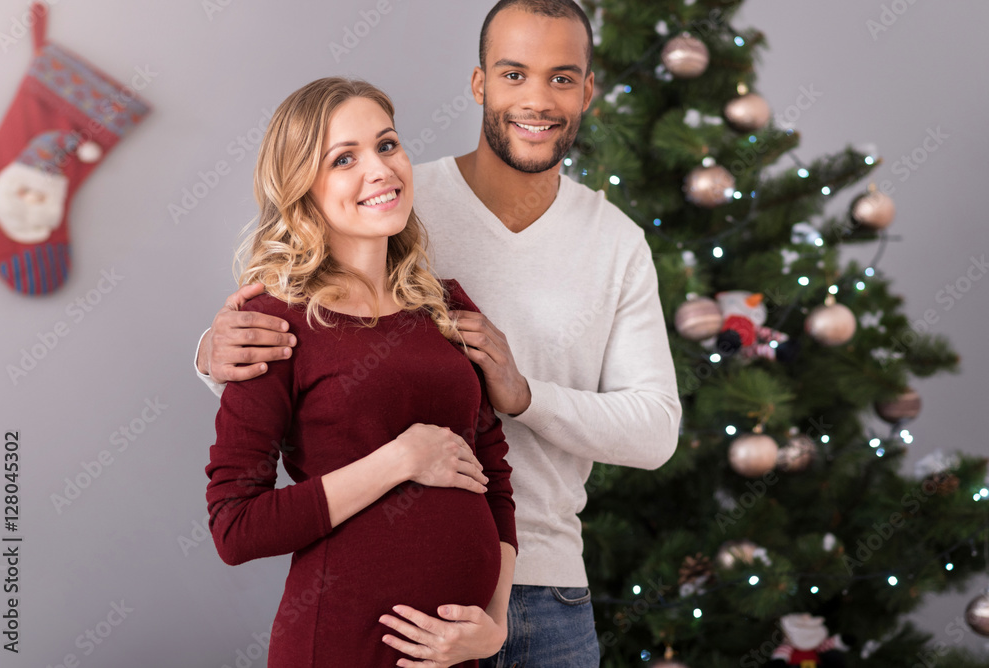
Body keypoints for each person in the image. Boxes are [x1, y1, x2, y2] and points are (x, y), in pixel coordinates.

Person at [196, 1, 682, 665]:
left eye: (562, 78)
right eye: (514, 74)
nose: (537, 99)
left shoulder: (607, 245)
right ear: (479, 82)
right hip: (368, 622)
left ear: (587, 90)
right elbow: (286, 358)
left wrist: (524, 396)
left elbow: (648, 431)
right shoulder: (396, 196)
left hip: (545, 591)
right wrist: (210, 351)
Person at [204, 76, 518, 667]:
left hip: (461, 655)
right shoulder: (272, 322)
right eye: (344, 159)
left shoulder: (447, 306)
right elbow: (236, 526)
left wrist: (494, 625)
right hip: (341, 645)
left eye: (387, 145)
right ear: (303, 187)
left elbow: (494, 476)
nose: (380, 170)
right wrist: (399, 460)